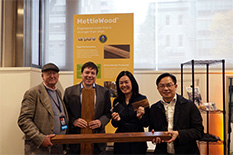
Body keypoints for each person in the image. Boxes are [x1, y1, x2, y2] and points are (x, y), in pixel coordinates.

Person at [18, 63, 68, 155]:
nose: (52, 76)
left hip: (58, 144)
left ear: (58, 76)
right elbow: (23, 120)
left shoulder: (58, 92)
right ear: (42, 76)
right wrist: (40, 138)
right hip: (41, 147)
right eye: (48, 73)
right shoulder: (33, 93)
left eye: (54, 73)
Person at [149, 73, 204, 154]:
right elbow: (152, 129)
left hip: (187, 152)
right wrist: (154, 136)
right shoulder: (154, 108)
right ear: (158, 88)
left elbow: (199, 132)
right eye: (162, 86)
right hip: (162, 152)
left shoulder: (189, 105)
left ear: (175, 86)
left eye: (169, 85)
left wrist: (179, 134)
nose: (166, 88)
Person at [63, 61, 111, 154]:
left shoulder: (104, 92)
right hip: (75, 140)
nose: (89, 75)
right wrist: (74, 121)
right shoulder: (69, 91)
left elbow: (108, 113)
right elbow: (65, 112)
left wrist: (101, 122)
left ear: (96, 75)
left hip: (97, 140)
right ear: (81, 74)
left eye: (93, 73)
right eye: (87, 72)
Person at [111, 71, 150, 154]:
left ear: (132, 83)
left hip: (138, 140)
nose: (124, 85)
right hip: (121, 140)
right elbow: (114, 124)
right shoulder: (117, 101)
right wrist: (116, 120)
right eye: (121, 83)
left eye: (126, 82)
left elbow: (147, 122)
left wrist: (140, 117)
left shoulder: (141, 99)